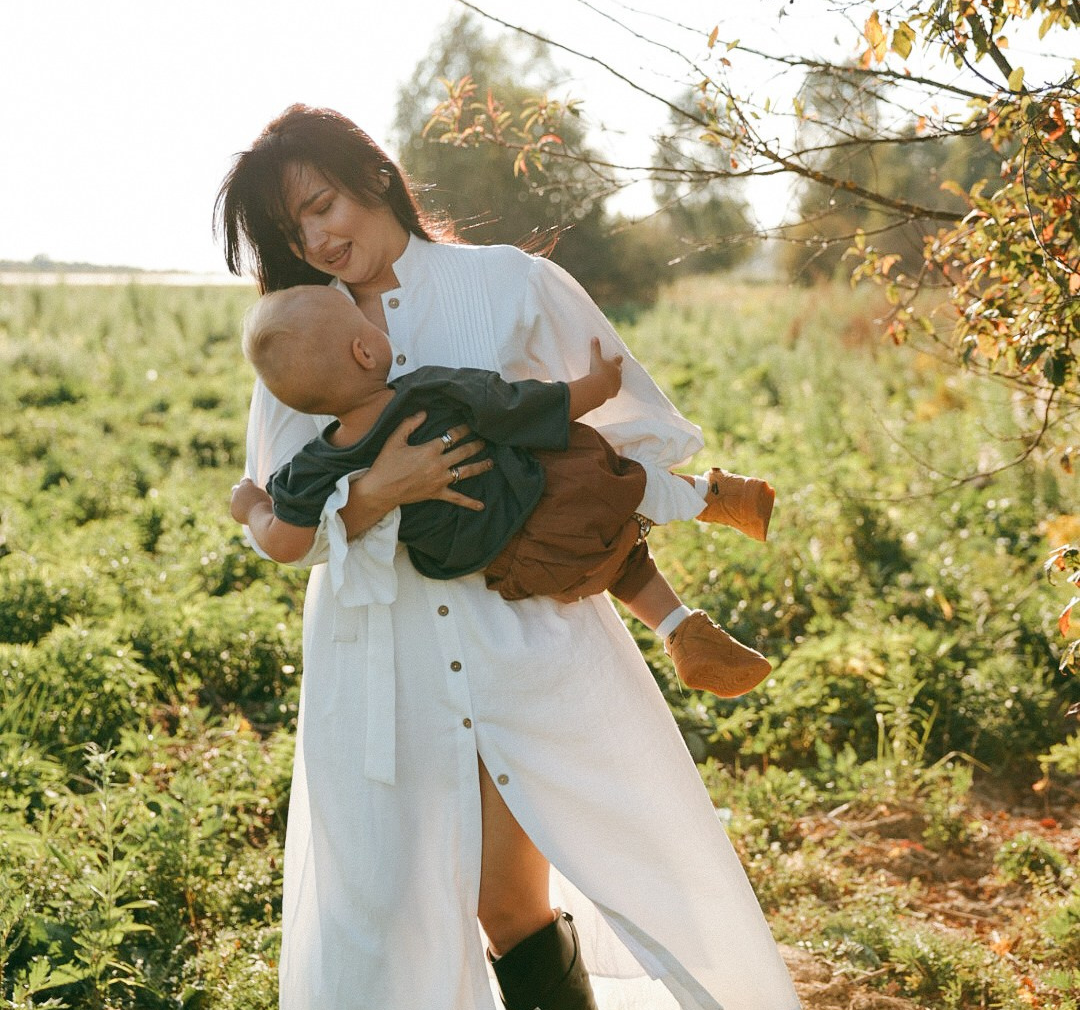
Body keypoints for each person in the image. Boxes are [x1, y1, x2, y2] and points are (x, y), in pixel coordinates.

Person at [217, 104, 800, 1010]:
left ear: (373, 175)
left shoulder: (511, 287)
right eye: (294, 235)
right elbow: (274, 520)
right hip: (374, 647)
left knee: (506, 895)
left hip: (519, 635)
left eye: (322, 206)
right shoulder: (297, 327)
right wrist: (375, 493)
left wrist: (637, 515)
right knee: (373, 892)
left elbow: (625, 436)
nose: (319, 242)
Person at [230, 281, 776, 700]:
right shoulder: (431, 389)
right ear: (366, 353)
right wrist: (597, 386)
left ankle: (683, 633)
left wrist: (253, 508)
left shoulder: (311, 469)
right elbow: (521, 404)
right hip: (551, 497)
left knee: (619, 566)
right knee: (612, 475)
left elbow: (285, 543)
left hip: (523, 565)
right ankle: (712, 496)